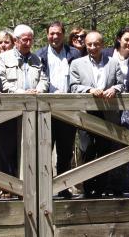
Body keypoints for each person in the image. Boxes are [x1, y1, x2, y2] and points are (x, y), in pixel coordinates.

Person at [0, 24, 46, 196]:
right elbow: (2, 82)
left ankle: (28, 189)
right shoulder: (2, 58)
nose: (28, 42)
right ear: (15, 41)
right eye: (25, 39)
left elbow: (44, 79)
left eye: (31, 39)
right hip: (8, 111)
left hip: (31, 112)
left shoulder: (37, 60)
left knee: (29, 149)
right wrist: (21, 93)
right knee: (7, 150)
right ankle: (8, 188)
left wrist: (39, 90)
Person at [69, 31, 124, 198]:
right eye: (90, 44)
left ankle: (100, 188)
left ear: (102, 44)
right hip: (86, 114)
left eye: (96, 44)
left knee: (104, 150)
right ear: (86, 45)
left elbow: (121, 84)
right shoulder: (77, 63)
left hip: (107, 114)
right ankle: (87, 187)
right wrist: (90, 90)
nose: (93, 47)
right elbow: (73, 86)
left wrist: (114, 89)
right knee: (87, 150)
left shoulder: (113, 63)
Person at [35, 21, 83, 199]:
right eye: (51, 33)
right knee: (44, 149)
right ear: (47, 35)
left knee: (65, 150)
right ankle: (44, 187)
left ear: (63, 35)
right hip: (44, 109)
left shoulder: (75, 53)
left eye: (58, 33)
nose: (54, 37)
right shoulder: (39, 55)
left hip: (68, 108)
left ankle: (63, 186)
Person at [104, 26, 129, 195]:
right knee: (108, 143)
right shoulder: (106, 54)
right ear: (119, 39)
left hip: (128, 106)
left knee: (128, 143)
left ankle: (123, 187)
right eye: (126, 39)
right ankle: (106, 185)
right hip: (108, 104)